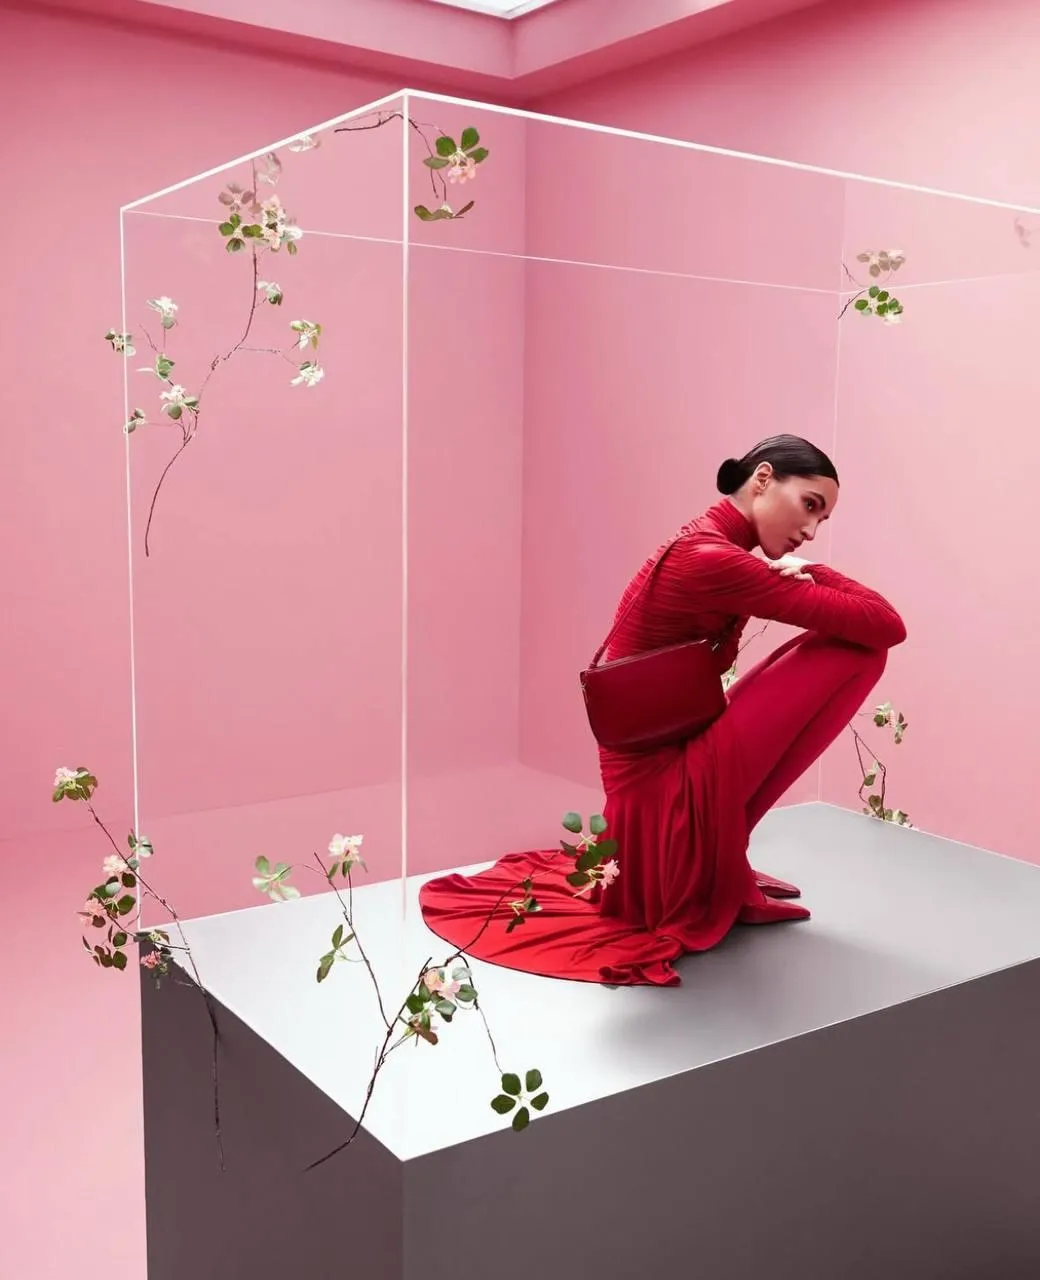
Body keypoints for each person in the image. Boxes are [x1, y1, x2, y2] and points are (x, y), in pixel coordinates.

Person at [419, 435, 907, 987]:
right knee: (859, 649)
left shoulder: (709, 541)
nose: (811, 529)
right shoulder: (714, 559)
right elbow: (888, 624)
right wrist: (814, 571)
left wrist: (786, 574)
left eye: (822, 519)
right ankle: (716, 851)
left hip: (660, 750)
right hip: (660, 775)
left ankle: (724, 852)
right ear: (763, 479)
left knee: (853, 645)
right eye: (809, 505)